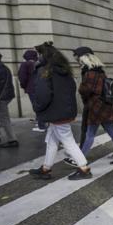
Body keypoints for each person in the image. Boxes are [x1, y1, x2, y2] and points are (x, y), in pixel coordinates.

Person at [28, 42, 91, 180]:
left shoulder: (45, 70)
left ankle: (84, 168)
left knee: (68, 141)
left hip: (55, 112)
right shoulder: (63, 69)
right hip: (63, 111)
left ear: (43, 56)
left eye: (39, 54)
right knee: (51, 140)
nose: (37, 57)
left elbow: (43, 94)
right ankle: (46, 168)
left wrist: (37, 107)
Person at [63, 50, 113, 166]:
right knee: (112, 131)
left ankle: (79, 159)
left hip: (96, 108)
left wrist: (81, 84)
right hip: (107, 106)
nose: (80, 64)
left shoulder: (90, 74)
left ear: (87, 62)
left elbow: (84, 90)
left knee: (90, 134)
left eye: (81, 62)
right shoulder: (101, 73)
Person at [18, 49, 46, 132]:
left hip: (31, 88)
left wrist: (23, 86)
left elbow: (22, 78)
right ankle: (40, 122)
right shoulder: (40, 64)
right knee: (41, 106)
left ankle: (41, 126)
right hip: (40, 87)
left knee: (36, 107)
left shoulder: (25, 64)